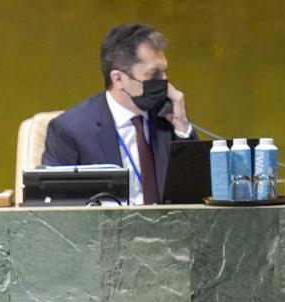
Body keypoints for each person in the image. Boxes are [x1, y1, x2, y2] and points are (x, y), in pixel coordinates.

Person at [41, 24, 197, 204]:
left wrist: (183, 127)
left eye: (165, 72)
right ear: (118, 78)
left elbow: (197, 189)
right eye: (154, 74)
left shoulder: (168, 118)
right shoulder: (70, 129)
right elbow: (52, 205)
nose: (164, 82)